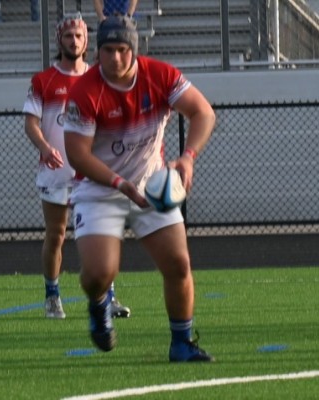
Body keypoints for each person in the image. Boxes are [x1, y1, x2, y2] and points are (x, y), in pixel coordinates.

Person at [63, 15, 216, 361]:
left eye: (121, 50)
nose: (115, 58)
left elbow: (203, 112)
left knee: (178, 264)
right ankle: (99, 304)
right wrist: (120, 183)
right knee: (98, 275)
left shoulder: (159, 75)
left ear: (134, 49)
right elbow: (77, 155)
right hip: (100, 190)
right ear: (96, 50)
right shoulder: (84, 91)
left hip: (152, 187)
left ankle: (181, 343)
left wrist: (188, 157)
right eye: (107, 50)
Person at [23, 14, 130, 320]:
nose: (74, 41)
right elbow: (30, 123)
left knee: (101, 234)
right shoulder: (44, 80)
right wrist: (45, 147)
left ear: (87, 41)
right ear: (60, 40)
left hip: (92, 170)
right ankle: (52, 295)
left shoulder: (99, 79)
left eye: (79, 37)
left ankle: (108, 297)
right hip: (56, 171)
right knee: (56, 234)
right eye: (69, 36)